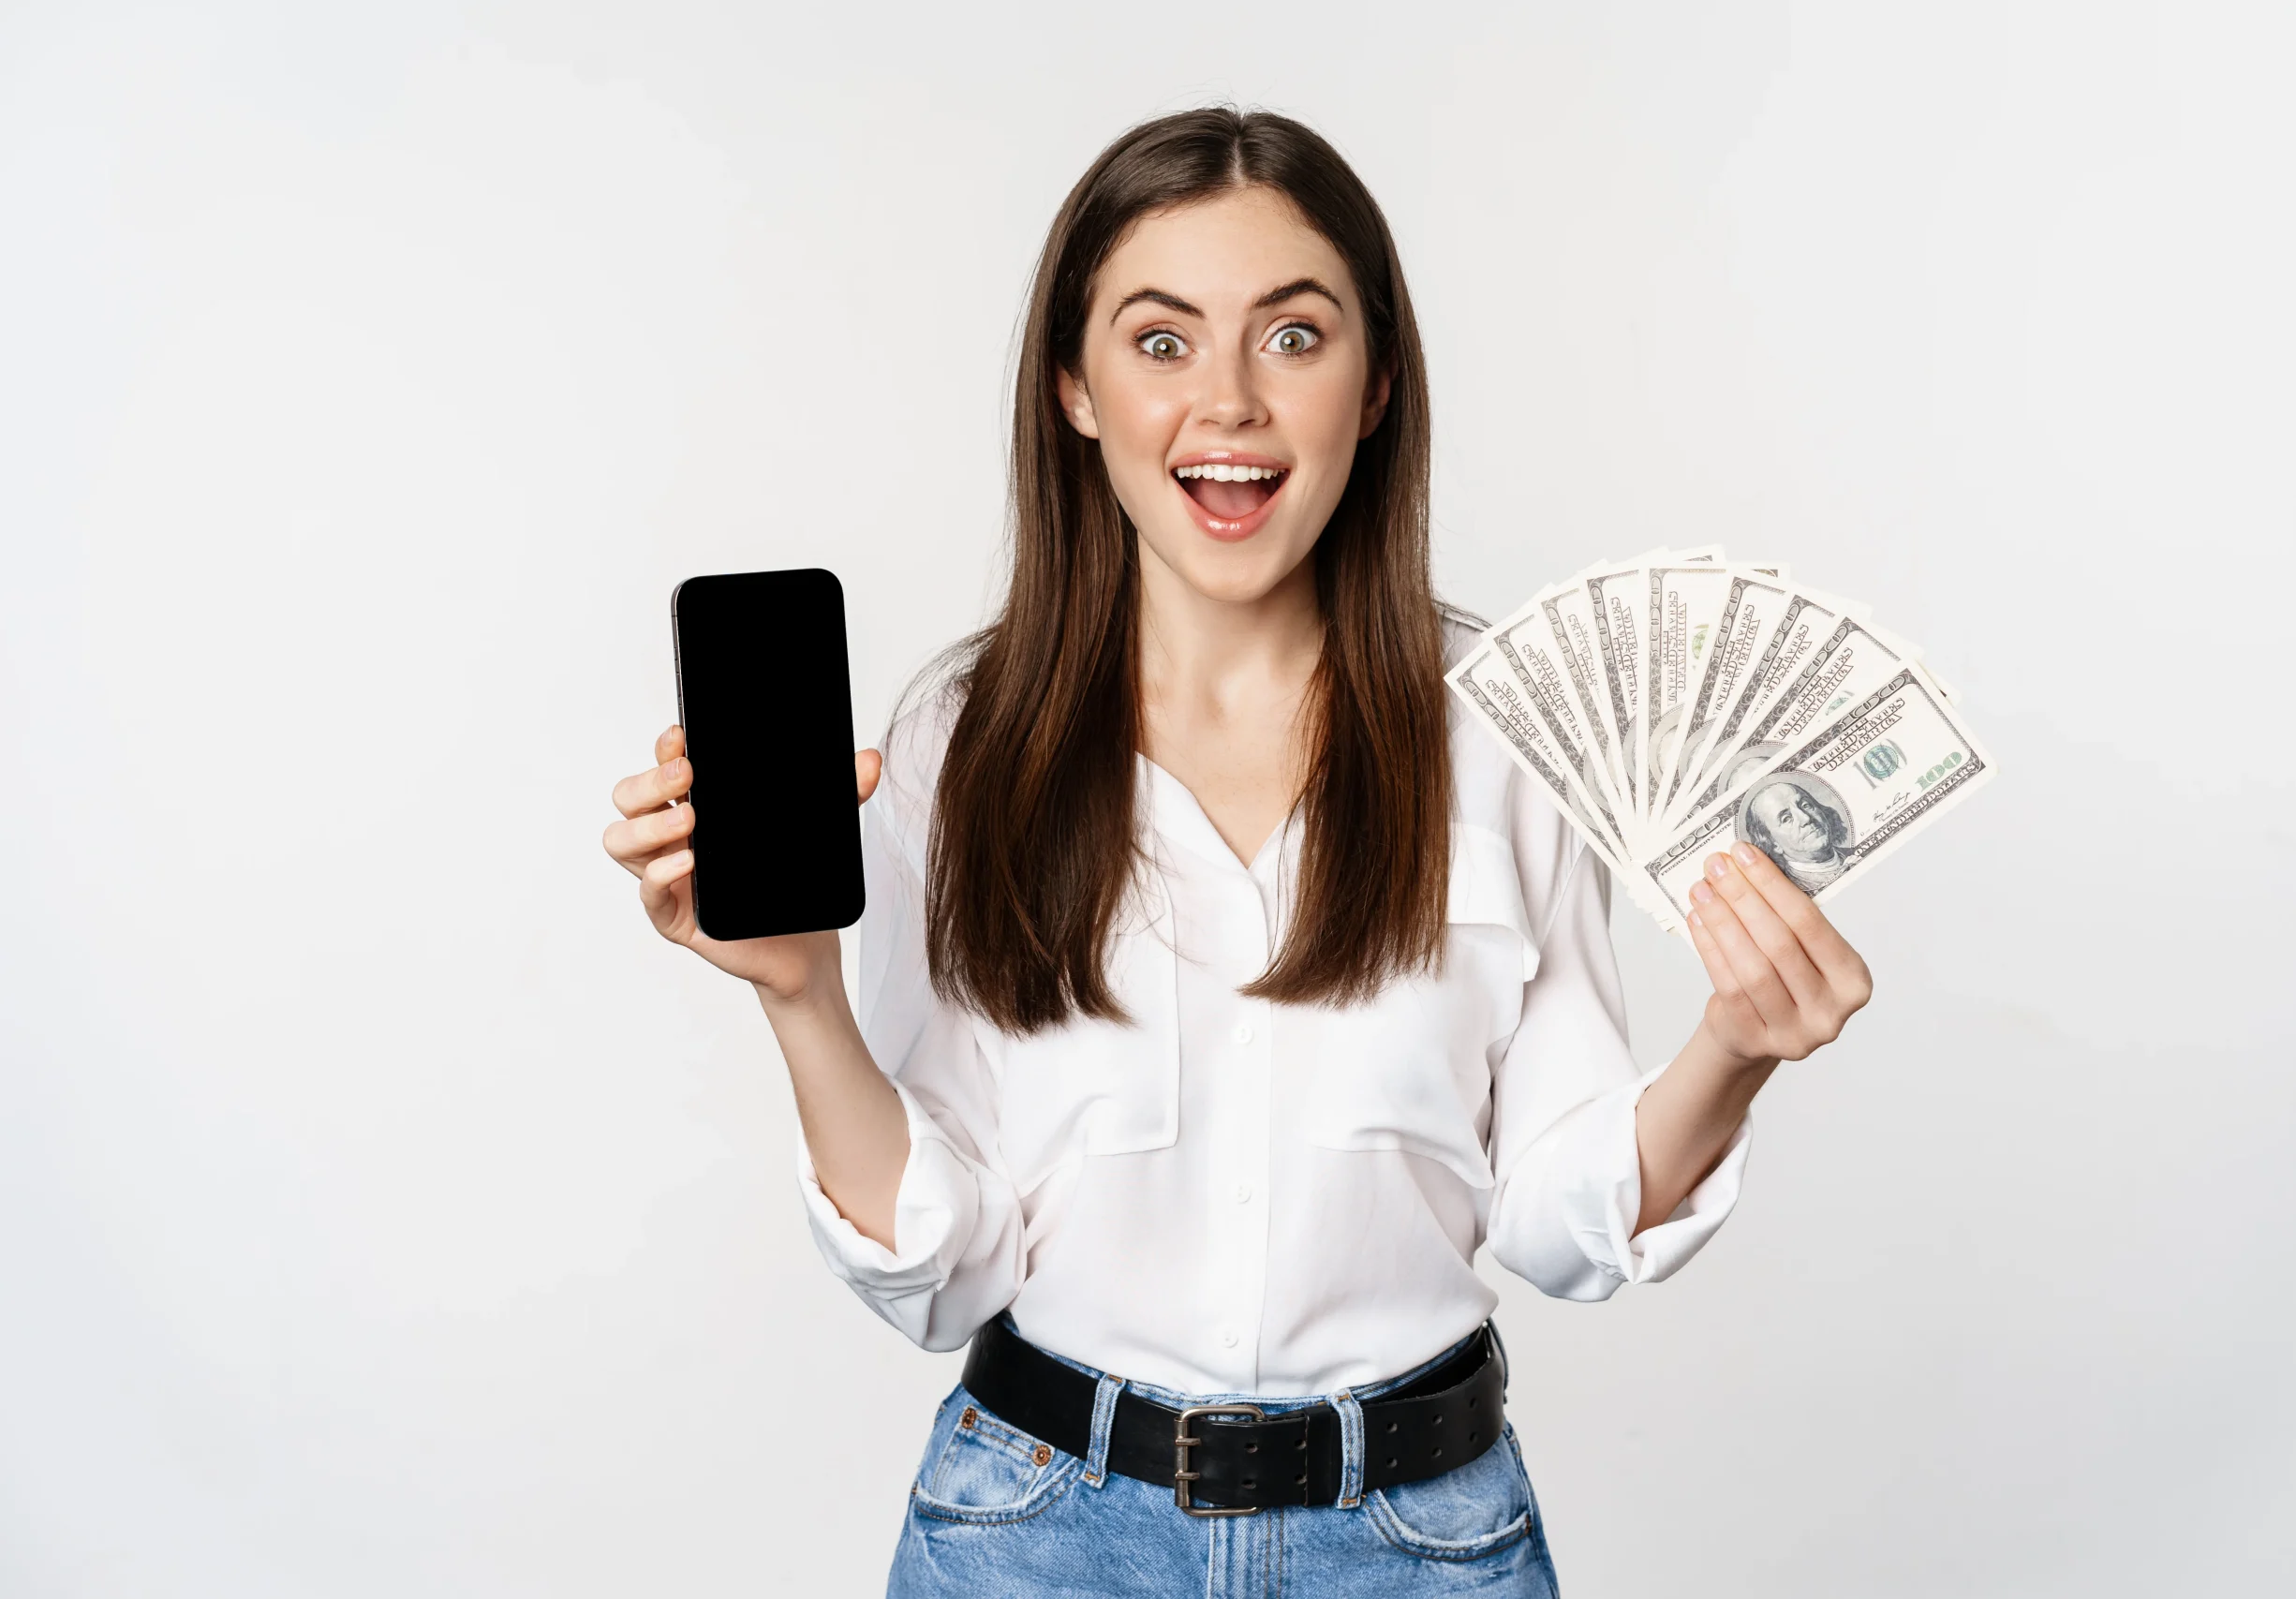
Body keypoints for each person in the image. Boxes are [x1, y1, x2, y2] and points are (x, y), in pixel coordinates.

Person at [602, 109, 1873, 1597]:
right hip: (1035, 1537)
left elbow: (1557, 1219)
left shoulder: (1506, 733)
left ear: (1377, 382)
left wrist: (1734, 1048)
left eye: (1293, 336)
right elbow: (944, 1269)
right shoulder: (959, 737)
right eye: (1161, 341)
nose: (1229, 401)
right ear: (1074, 389)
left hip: (1421, 1543)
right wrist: (802, 994)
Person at [1739, 773, 1857, 895]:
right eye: (1786, 819)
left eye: (1806, 805)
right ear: (1773, 844)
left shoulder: (1856, 853)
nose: (1806, 818)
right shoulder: (1789, 892)